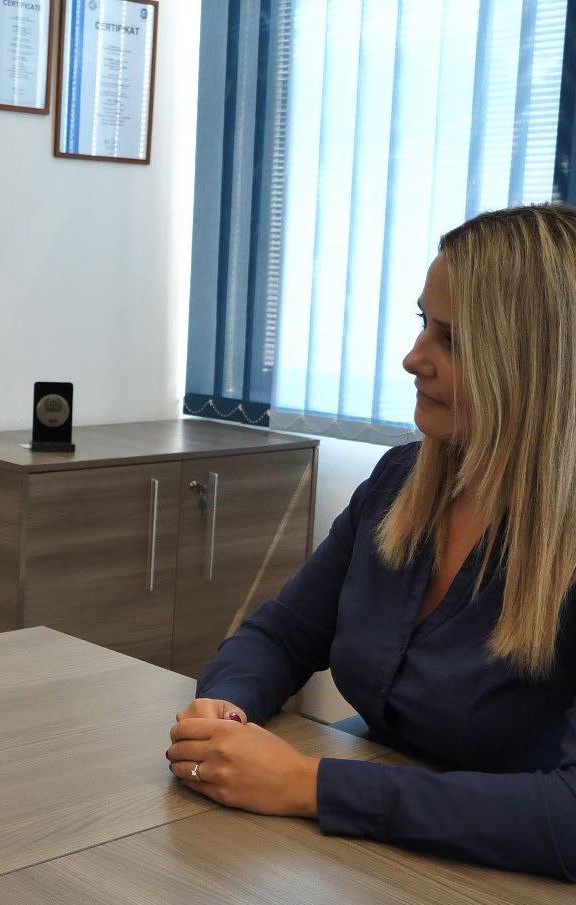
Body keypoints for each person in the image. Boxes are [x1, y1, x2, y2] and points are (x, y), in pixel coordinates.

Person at [166, 203, 576, 881]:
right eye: (423, 323)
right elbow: (280, 635)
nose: (413, 358)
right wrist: (227, 708)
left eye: (453, 340)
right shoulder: (399, 483)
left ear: (536, 365)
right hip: (373, 858)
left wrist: (309, 785)